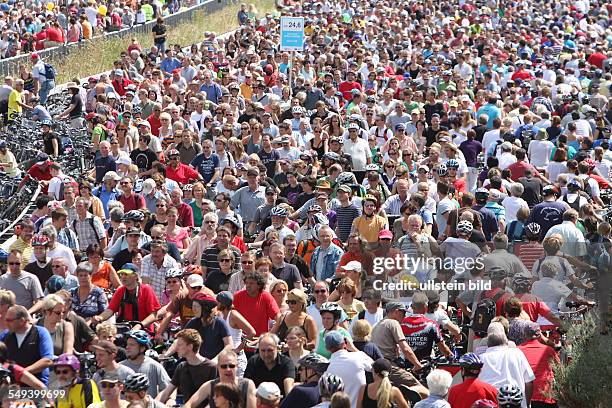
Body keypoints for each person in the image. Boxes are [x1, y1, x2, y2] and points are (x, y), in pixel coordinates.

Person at [478, 323, 534, 408]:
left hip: (490, 404)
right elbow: (529, 381)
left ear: (488, 343)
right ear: (506, 341)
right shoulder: (517, 353)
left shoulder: (481, 359)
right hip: (517, 403)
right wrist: (527, 403)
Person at [158, 329, 218, 405]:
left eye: (179, 345)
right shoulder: (181, 367)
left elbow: (215, 398)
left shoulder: (212, 367)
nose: (177, 348)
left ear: (190, 346)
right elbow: (166, 393)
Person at [184, 349, 256, 408]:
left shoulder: (247, 384)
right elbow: (190, 403)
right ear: (218, 367)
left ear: (237, 366)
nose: (228, 369)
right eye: (224, 366)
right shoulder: (210, 385)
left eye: (231, 366)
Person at [0, 305, 53, 385]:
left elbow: (47, 360)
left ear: (22, 320)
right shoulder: (5, 335)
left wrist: (21, 374)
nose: (6, 323)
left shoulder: (40, 333)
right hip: (11, 388)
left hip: (35, 387)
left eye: (9, 320)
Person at [325, 331, 373, 408]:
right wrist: (353, 348)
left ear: (327, 349)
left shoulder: (327, 368)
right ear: (344, 343)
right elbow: (374, 366)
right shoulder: (358, 356)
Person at [120, 330, 170, 398]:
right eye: (127, 344)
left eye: (132, 345)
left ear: (142, 348)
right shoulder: (120, 367)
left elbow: (168, 389)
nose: (127, 347)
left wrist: (168, 401)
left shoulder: (154, 366)